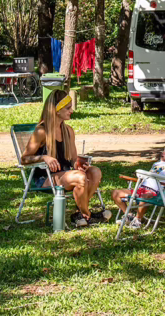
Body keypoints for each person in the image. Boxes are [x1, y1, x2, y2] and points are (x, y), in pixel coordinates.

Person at [21, 90, 104, 227]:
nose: (71, 111)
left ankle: (80, 213)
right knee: (80, 177)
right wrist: (44, 157)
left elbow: (73, 160)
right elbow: (24, 159)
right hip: (44, 178)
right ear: (56, 110)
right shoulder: (41, 131)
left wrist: (79, 164)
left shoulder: (68, 131)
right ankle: (87, 215)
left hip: (65, 175)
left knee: (95, 172)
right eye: (68, 108)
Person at [112, 141, 165, 229]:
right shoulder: (157, 164)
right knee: (115, 193)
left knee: (144, 197)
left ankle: (137, 220)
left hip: (156, 192)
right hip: (141, 189)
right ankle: (129, 216)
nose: (163, 152)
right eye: (164, 150)